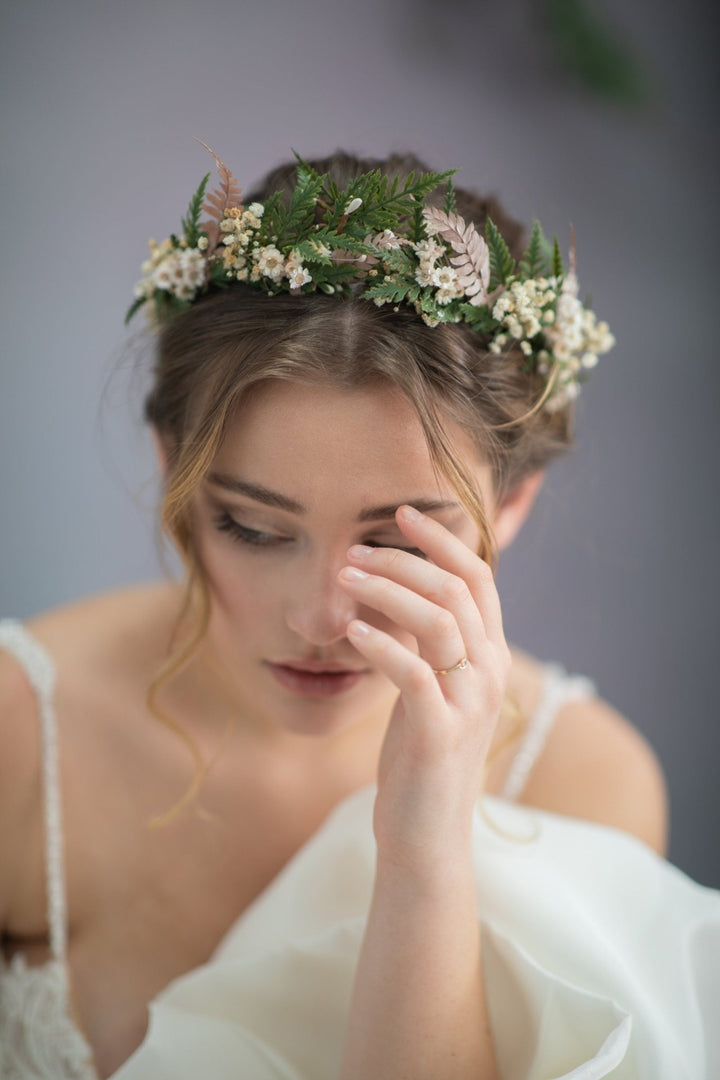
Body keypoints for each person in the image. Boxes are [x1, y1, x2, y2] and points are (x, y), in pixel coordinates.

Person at [0, 148, 717, 1080]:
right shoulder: (22, 733)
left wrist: (425, 851)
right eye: (253, 528)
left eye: (402, 545)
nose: (322, 618)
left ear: (511, 504)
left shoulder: (582, 782)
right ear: (172, 465)